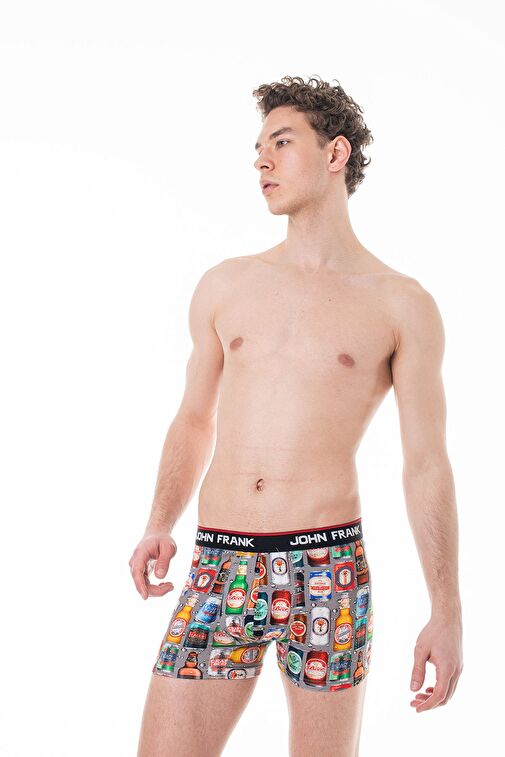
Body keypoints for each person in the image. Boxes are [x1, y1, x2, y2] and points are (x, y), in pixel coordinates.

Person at [130, 75, 463, 756]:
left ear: (335, 153)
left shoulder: (400, 304)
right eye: (258, 147)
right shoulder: (226, 284)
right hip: (220, 561)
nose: (261, 160)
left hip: (326, 568)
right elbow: (193, 420)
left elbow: (425, 462)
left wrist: (446, 607)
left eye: (281, 143)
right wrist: (159, 522)